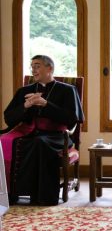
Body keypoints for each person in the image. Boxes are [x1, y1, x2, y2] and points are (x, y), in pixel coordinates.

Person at [1, 55, 84, 205]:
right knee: (5, 141)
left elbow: (72, 119)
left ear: (49, 68)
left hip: (55, 136)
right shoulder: (24, 91)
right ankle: (11, 194)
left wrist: (46, 104)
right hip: (27, 132)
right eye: (32, 66)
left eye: (37, 66)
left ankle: (43, 196)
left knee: (39, 143)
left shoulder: (68, 90)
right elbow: (8, 118)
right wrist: (25, 106)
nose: (33, 70)